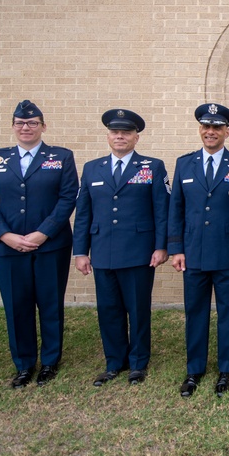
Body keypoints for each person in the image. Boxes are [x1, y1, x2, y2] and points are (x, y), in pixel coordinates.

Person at [0, 100, 78, 388]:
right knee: (16, 306)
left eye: (32, 123)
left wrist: (42, 233)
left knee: (50, 304)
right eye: (20, 123)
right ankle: (24, 364)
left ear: (43, 127)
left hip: (50, 245)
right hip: (7, 248)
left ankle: (49, 361)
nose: (26, 127)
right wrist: (4, 235)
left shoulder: (60, 157)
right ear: (13, 127)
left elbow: (67, 198)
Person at [74, 109, 170, 387]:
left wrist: (161, 246)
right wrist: (81, 251)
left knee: (138, 309)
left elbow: (161, 210)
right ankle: (114, 361)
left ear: (136, 137)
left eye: (126, 132)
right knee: (109, 309)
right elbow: (83, 213)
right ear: (108, 136)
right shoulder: (92, 168)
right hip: (102, 251)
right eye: (115, 132)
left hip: (139, 252)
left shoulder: (152, 167)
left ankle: (139, 362)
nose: (120, 136)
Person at [169, 103, 229, 397]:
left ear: (226, 132)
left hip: (228, 253)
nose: (210, 132)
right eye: (206, 127)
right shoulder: (184, 164)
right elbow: (176, 209)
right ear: (200, 130)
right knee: (195, 311)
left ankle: (226, 369)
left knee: (228, 311)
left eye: (217, 127)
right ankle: (195, 369)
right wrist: (176, 248)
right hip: (192, 252)